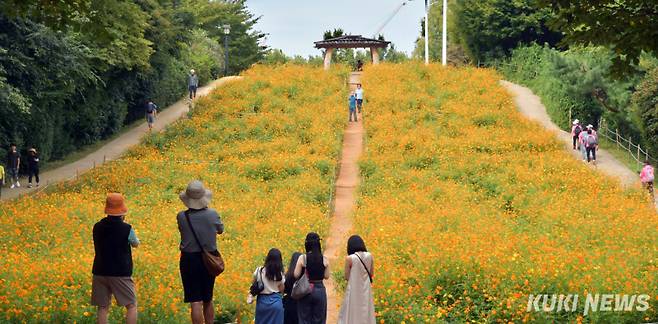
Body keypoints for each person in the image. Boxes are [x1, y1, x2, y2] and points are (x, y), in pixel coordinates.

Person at [177, 180, 224, 324]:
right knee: (207, 298)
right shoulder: (212, 214)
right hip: (208, 259)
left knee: (195, 300)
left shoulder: (181, 216)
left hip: (189, 260)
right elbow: (220, 230)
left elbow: (182, 231)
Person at [91, 193, 140, 324]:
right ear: (122, 211)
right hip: (120, 272)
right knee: (131, 305)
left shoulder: (97, 226)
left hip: (99, 271)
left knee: (102, 307)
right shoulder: (126, 228)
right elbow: (135, 243)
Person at [338, 235, 375, 324]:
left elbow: (346, 277)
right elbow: (372, 273)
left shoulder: (350, 258)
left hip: (353, 290)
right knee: (366, 312)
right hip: (366, 290)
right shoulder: (370, 256)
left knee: (352, 312)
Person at [294, 232, 330, 324]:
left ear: (307, 244)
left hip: (306, 290)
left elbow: (296, 275)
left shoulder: (303, 258)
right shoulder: (324, 258)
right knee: (319, 319)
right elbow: (326, 276)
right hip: (320, 290)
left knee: (304, 319)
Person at [254, 248, 285, 324]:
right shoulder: (280, 274)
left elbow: (254, 284)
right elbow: (282, 290)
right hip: (276, 304)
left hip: (262, 303)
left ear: (267, 258)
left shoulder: (259, 271)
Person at [283, 252, 302, 324]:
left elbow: (284, 290)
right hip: (300, 304)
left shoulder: (287, 275)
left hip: (288, 304)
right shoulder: (303, 277)